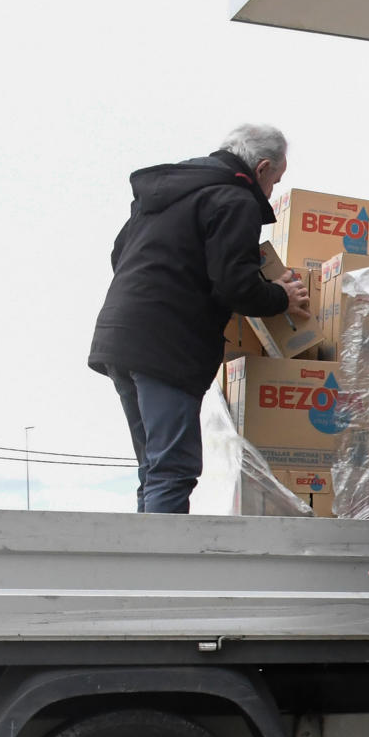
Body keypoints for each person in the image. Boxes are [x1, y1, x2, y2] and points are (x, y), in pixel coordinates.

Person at [88, 124, 311, 513]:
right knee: (173, 468)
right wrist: (281, 295)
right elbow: (234, 286)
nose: (273, 191)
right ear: (261, 169)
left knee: (154, 467)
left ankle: (145, 565)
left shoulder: (165, 193)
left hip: (119, 338)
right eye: (276, 180)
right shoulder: (234, 200)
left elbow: (118, 257)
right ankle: (162, 570)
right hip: (166, 346)